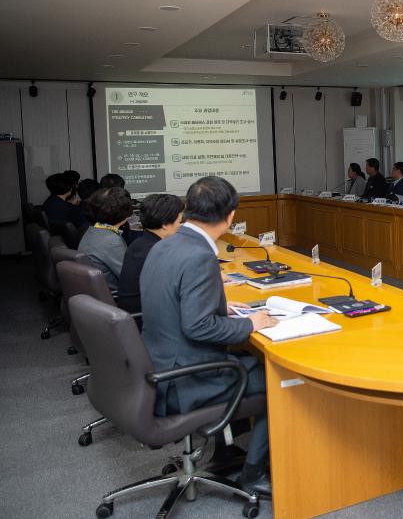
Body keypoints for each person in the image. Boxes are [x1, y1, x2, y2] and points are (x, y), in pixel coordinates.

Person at [140, 176, 277, 497]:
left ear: (188, 209)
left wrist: (219, 306)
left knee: (245, 360)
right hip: (186, 378)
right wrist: (251, 323)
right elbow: (199, 327)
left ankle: (225, 452)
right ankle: (253, 474)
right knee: (277, 380)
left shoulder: (165, 244)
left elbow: (170, 298)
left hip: (158, 364)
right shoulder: (200, 256)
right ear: (230, 216)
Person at [116, 193, 184, 317]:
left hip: (136, 313)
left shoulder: (140, 243)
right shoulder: (157, 252)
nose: (180, 226)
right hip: (147, 318)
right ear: (165, 224)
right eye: (179, 222)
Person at [77, 187, 133, 293]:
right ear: (125, 214)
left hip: (94, 292)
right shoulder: (111, 241)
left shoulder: (92, 229)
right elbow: (130, 278)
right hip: (114, 296)